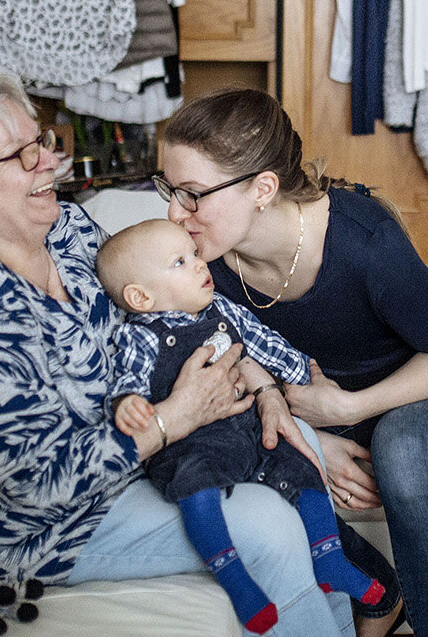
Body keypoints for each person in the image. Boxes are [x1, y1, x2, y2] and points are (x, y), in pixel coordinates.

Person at [0, 62, 355, 636]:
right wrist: (175, 418)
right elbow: (40, 484)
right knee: (264, 525)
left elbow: (174, 310)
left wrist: (263, 388)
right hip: (36, 526)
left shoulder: (67, 232)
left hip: (141, 454)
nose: (49, 163)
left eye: (40, 140)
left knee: (297, 443)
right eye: (19, 156)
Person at [157, 88, 428, 637]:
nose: (175, 213)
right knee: (219, 452)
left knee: (404, 449)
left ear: (263, 188)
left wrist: (348, 406)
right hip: (327, 397)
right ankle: (379, 593)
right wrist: (308, 433)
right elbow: (229, 362)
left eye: (192, 195)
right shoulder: (204, 266)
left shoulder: (361, 239)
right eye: (168, 190)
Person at [100, 219, 385, 634]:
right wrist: (127, 405)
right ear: (141, 297)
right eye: (180, 262)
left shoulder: (221, 312)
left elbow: (266, 343)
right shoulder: (140, 338)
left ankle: (329, 557)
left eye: (195, 255)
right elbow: (126, 382)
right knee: (195, 491)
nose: (200, 266)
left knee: (300, 463)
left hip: (246, 430)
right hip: (189, 445)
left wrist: (308, 378)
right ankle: (234, 576)